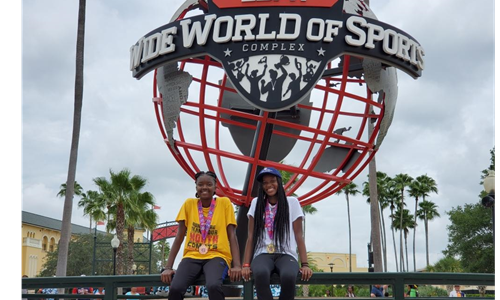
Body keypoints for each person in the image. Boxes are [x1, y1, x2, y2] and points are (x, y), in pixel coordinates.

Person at [160, 170, 242, 300]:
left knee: (213, 285)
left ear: (215, 187)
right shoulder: (189, 204)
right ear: (196, 187)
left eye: (209, 184)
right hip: (192, 255)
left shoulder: (225, 203)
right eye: (200, 184)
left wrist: (237, 266)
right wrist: (168, 267)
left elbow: (232, 236)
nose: (204, 187)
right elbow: (179, 237)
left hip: (217, 255)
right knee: (175, 288)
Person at [241, 167, 313, 300]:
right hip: (262, 253)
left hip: (286, 254)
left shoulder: (292, 203)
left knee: (288, 276)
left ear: (279, 182)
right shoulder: (256, 203)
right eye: (265, 182)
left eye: (272, 181)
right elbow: (250, 236)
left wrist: (305, 264)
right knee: (261, 273)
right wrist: (246, 265)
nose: (269, 185)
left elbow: (298, 236)